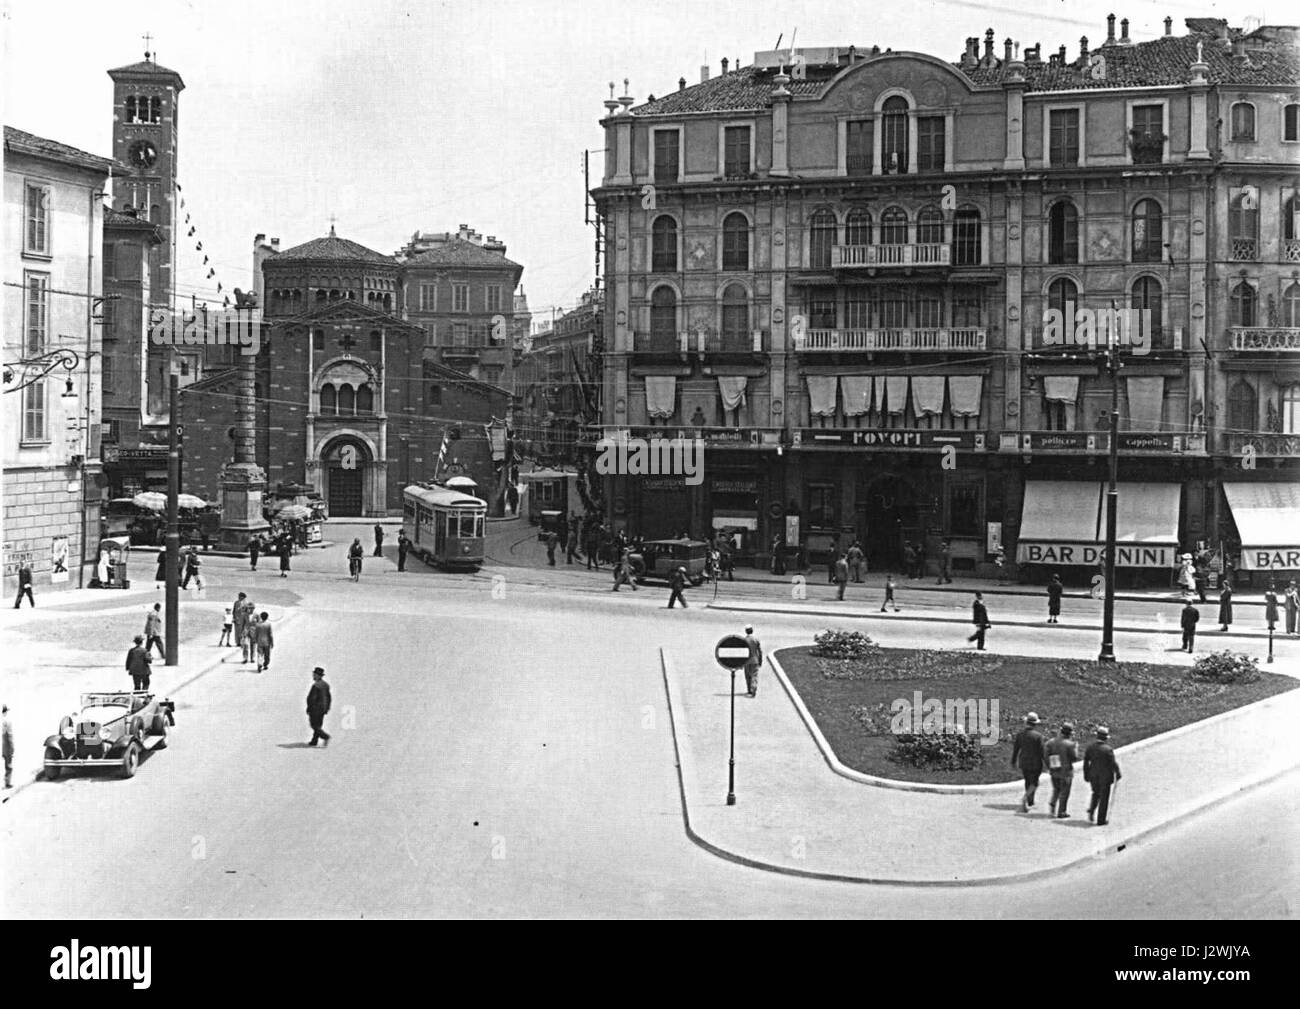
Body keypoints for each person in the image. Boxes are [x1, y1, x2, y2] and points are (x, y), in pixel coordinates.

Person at [1084, 726, 1122, 825]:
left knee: (1095, 793)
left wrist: (1086, 774)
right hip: (1105, 777)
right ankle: (1101, 820)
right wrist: (1118, 773)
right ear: (1105, 738)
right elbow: (1113, 763)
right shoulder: (1108, 750)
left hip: (1093, 775)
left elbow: (1086, 762)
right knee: (1104, 798)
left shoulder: (1090, 747)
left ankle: (1091, 810)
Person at [1011, 712, 1047, 813]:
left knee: (1027, 781)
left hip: (1024, 762)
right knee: (1035, 782)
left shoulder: (1020, 735)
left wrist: (1013, 761)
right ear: (1035, 724)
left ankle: (1030, 801)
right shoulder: (1038, 736)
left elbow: (1016, 749)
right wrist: (1047, 764)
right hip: (1036, 763)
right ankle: (1026, 798)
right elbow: (1042, 752)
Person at [1044, 722, 1079, 819]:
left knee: (1056, 789)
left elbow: (1046, 756)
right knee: (1064, 792)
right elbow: (1074, 758)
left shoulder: (1050, 742)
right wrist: (1076, 748)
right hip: (1066, 772)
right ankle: (1061, 811)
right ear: (1070, 733)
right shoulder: (1070, 744)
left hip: (1054, 770)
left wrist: (1050, 766)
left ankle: (1053, 804)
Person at [306, 667, 332, 747]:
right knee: (318, 725)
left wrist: (309, 708)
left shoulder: (316, 686)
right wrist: (327, 708)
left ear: (319, 676)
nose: (313, 676)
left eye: (314, 675)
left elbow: (312, 698)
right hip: (323, 709)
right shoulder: (325, 685)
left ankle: (325, 737)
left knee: (314, 725)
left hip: (315, 709)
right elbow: (328, 697)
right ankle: (314, 741)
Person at [743, 624, 763, 697]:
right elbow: (760, 651)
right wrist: (760, 660)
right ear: (752, 630)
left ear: (746, 631)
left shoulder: (744, 640)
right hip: (755, 660)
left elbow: (742, 652)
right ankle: (754, 687)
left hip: (746, 661)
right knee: (754, 675)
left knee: (748, 676)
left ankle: (749, 690)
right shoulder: (756, 639)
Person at [1, 703, 12, 789]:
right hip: (8, 749)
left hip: (4, 749)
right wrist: (12, 749)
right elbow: (9, 739)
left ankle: (6, 782)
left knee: (7, 766)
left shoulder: (2, 721)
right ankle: (7, 783)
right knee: (9, 767)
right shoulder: (7, 722)